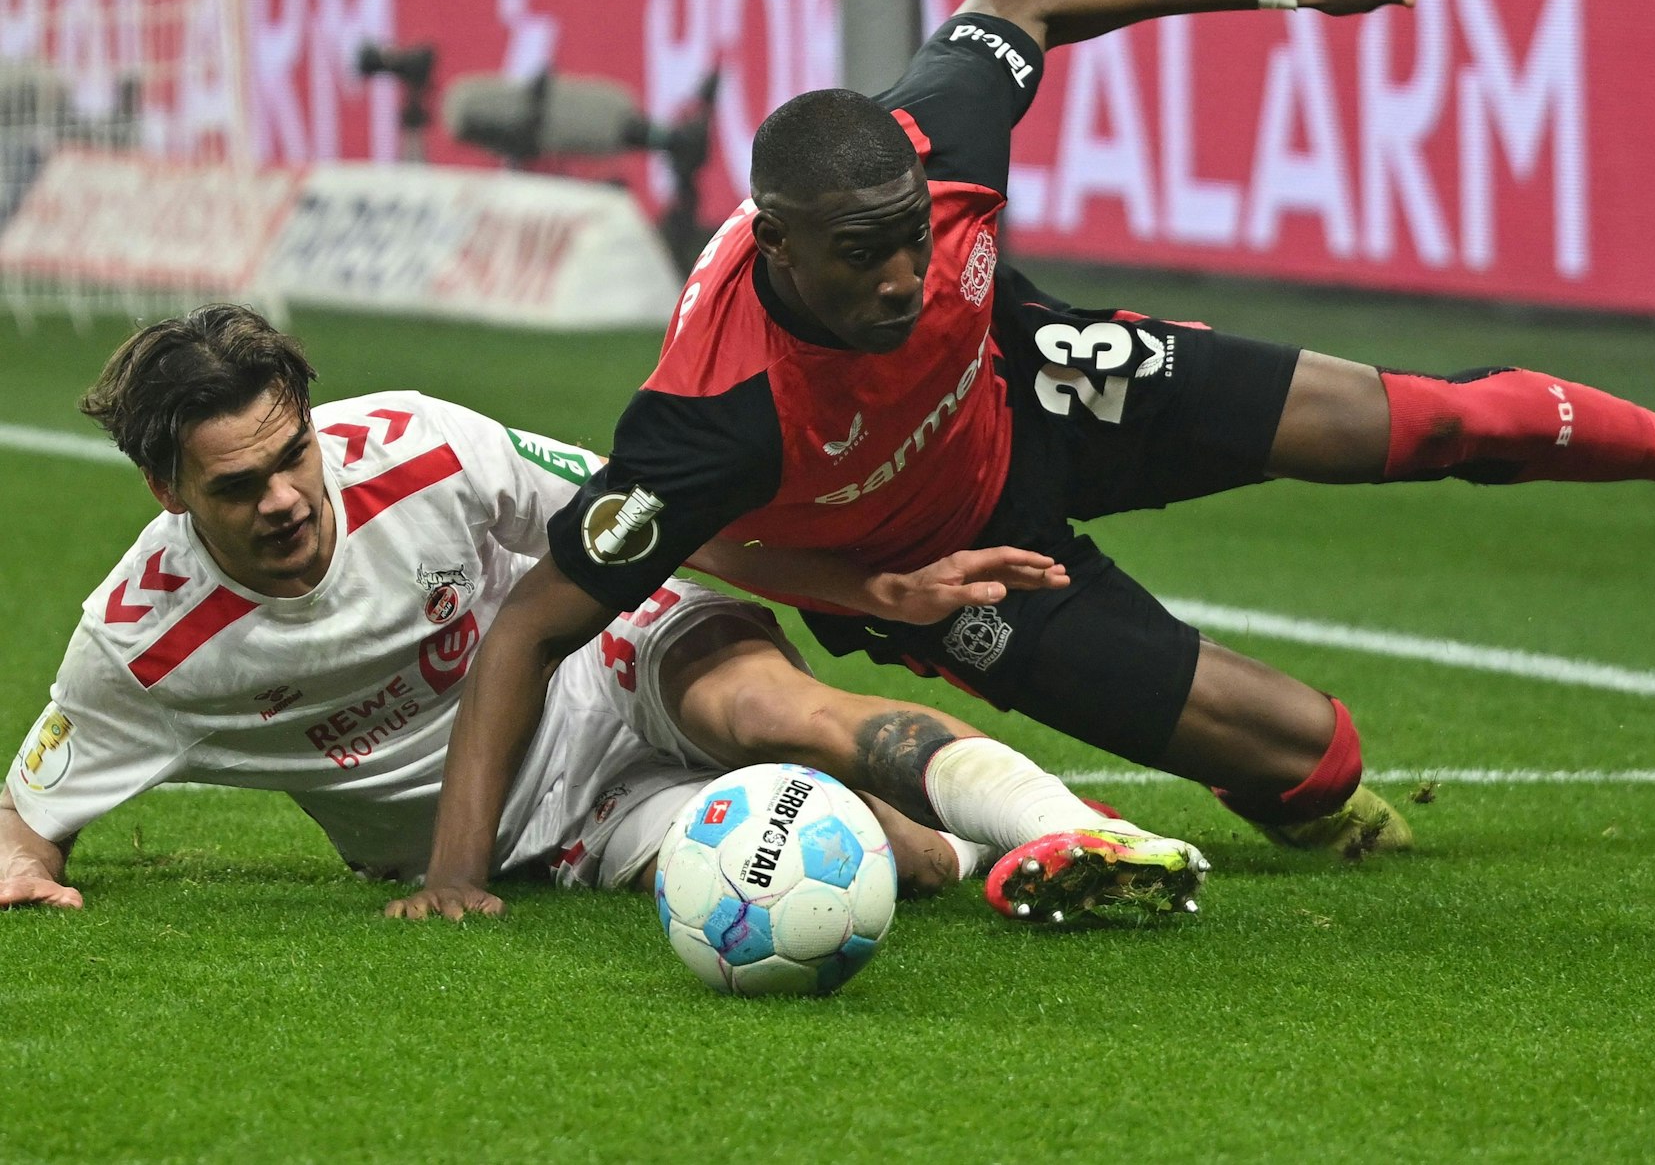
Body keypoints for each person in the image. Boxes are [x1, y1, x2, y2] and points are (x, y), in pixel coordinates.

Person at [393, 0, 1655, 922]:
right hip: (951, 559)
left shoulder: (941, 146)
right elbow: (533, 624)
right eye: (863, 256)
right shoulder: (710, 413)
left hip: (1038, 384)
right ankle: (1308, 807)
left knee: (1419, 421)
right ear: (776, 241)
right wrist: (457, 869)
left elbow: (1022, 1)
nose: (901, 276)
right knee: (1312, 757)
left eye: (912, 238)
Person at [2, 306, 1207, 922]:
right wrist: (23, 861)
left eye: (291, 454)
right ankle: (996, 852)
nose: (284, 498)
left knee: (775, 708)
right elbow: (30, 814)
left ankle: (1077, 826)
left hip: (612, 655)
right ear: (167, 492)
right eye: (234, 485)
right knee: (884, 864)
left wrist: (861, 590)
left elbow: (648, 517)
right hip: (564, 834)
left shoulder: (422, 444)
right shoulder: (141, 644)